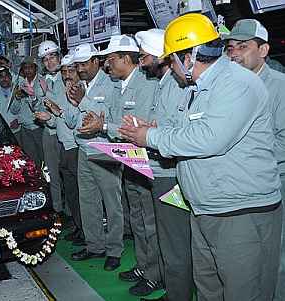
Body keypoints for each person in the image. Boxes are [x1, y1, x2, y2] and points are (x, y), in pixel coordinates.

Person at [119, 13, 282, 301]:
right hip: (206, 208)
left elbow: (211, 139)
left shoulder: (236, 83)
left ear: (191, 55)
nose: (170, 66)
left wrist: (151, 138)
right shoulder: (195, 88)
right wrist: (155, 129)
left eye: (172, 59)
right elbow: (188, 131)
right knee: (209, 288)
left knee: (244, 292)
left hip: (239, 212)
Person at [132, 28, 195, 301]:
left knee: (174, 241)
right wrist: (150, 129)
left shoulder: (175, 83)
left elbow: (179, 131)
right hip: (162, 171)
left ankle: (178, 294)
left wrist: (152, 133)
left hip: (170, 174)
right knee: (171, 238)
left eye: (145, 56)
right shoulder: (165, 82)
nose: (142, 61)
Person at [224, 19, 285, 301]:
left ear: (264, 50)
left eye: (243, 47)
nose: (234, 53)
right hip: (239, 185)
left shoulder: (280, 87)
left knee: (276, 255)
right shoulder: (228, 87)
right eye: (230, 47)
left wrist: (244, 159)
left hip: (275, 182)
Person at [97, 34, 162, 296]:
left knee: (150, 221)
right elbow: (116, 123)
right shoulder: (118, 85)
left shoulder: (147, 84)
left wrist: (105, 127)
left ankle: (156, 273)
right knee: (136, 218)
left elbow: (136, 126)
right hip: (129, 161)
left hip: (147, 162)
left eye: (111, 60)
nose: (107, 65)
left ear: (126, 59)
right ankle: (144, 265)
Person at [64, 43, 123, 271]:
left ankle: (114, 250)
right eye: (77, 65)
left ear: (96, 62)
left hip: (105, 150)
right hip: (83, 149)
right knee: (88, 201)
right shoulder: (79, 85)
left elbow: (110, 117)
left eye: (84, 64)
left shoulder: (111, 84)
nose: (80, 69)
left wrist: (82, 101)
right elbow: (72, 120)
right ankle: (95, 245)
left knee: (111, 202)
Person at [35, 52, 85, 246]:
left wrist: (57, 113)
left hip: (74, 145)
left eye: (70, 70)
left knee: (81, 193)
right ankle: (79, 228)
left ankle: (87, 233)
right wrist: (50, 119)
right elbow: (58, 121)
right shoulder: (60, 87)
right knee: (72, 191)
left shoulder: (77, 90)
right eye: (64, 71)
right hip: (65, 144)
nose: (66, 74)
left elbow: (72, 121)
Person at [32, 41, 64, 220]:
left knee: (68, 175)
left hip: (64, 132)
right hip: (48, 131)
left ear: (59, 56)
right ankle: (58, 209)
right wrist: (35, 97)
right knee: (52, 172)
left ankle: (71, 212)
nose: (50, 62)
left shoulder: (68, 76)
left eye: (52, 57)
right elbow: (38, 106)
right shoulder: (42, 81)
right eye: (45, 59)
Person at [14, 56, 45, 167]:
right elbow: (14, 110)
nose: (28, 70)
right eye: (25, 68)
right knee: (31, 160)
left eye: (30, 67)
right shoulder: (19, 84)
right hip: (25, 128)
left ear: (36, 68)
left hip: (39, 127)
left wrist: (31, 96)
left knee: (45, 159)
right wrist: (17, 97)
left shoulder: (43, 81)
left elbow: (45, 103)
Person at [0, 66, 22, 142]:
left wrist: (19, 120)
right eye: (1, 77)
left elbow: (26, 110)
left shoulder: (19, 90)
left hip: (17, 131)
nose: (4, 79)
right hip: (2, 133)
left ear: (10, 77)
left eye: (6, 76)